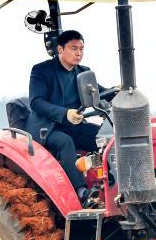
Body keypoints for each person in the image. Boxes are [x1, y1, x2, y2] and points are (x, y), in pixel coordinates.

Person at [26, 30, 108, 201]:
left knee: (103, 138)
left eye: (81, 49)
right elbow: (36, 102)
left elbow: (100, 93)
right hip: (46, 128)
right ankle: (82, 192)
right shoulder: (41, 70)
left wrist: (119, 92)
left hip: (73, 125)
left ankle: (110, 184)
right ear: (60, 49)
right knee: (65, 142)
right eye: (73, 48)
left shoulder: (84, 73)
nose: (78, 53)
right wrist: (65, 113)